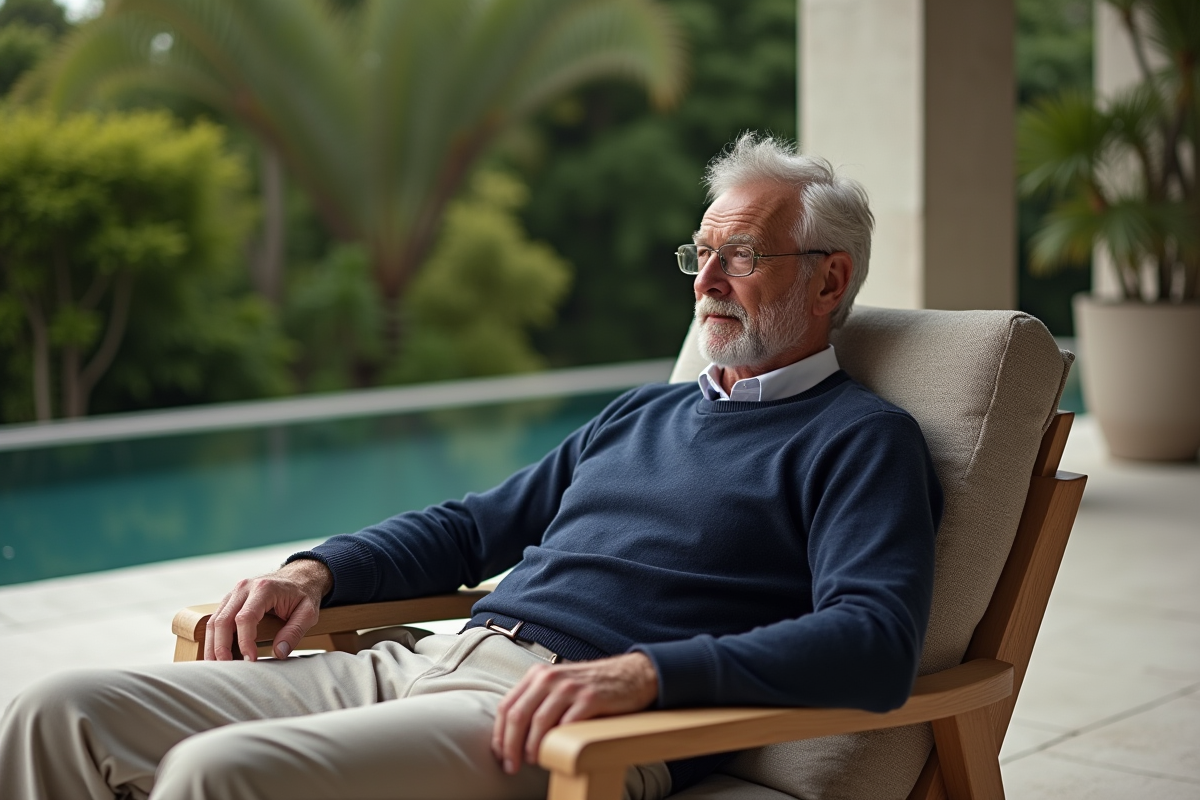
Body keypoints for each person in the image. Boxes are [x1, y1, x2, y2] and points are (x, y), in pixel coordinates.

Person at [0, 133, 942, 800]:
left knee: (219, 776)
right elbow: (469, 528)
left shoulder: (860, 441)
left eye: (741, 255)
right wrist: (315, 571)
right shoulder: (644, 413)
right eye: (701, 254)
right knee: (54, 712)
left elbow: (872, 643)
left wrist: (645, 675)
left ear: (829, 279)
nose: (703, 284)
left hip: (568, 724)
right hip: (425, 664)